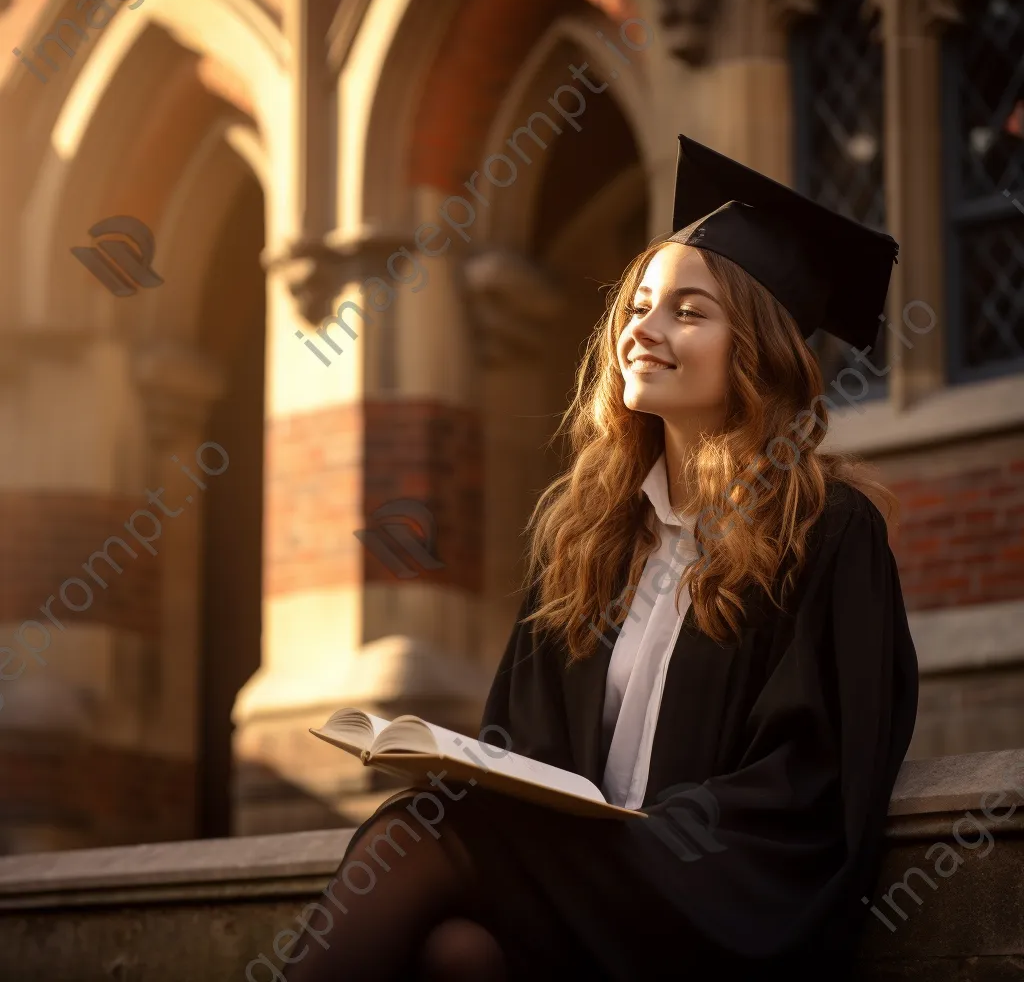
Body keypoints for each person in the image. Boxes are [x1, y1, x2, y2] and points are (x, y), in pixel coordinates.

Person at [283, 135, 920, 981]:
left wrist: (645, 837)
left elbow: (815, 778)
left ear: (758, 351)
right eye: (639, 306)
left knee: (414, 833)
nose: (641, 331)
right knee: (458, 954)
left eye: (687, 313)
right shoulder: (590, 537)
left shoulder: (827, 531)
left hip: (723, 891)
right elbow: (522, 742)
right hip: (589, 888)